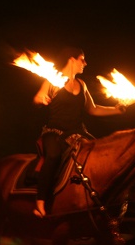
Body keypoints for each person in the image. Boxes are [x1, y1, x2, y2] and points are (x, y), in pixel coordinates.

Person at [32, 47, 127, 217]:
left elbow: (93, 109)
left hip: (77, 132)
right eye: (82, 59)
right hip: (55, 132)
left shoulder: (81, 84)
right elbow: (37, 97)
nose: (85, 63)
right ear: (71, 59)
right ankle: (40, 201)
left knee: (100, 153)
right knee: (53, 155)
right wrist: (42, 99)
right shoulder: (53, 80)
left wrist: (118, 110)